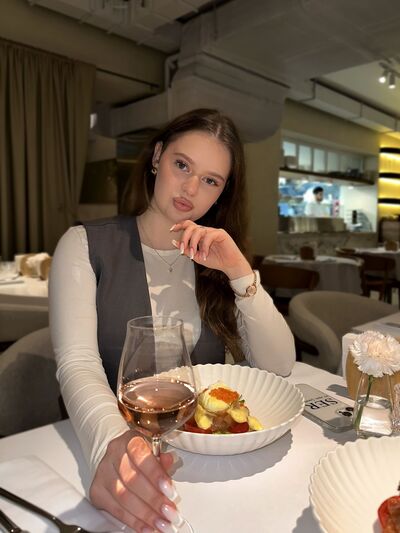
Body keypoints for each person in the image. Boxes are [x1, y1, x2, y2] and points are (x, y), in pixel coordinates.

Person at [49, 108, 295, 532]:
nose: (190, 188)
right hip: (111, 442)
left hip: (206, 461)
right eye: (182, 165)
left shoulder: (214, 257)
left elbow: (280, 366)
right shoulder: (84, 244)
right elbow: (78, 363)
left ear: (222, 193)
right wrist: (113, 442)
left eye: (211, 181)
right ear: (157, 156)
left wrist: (239, 273)